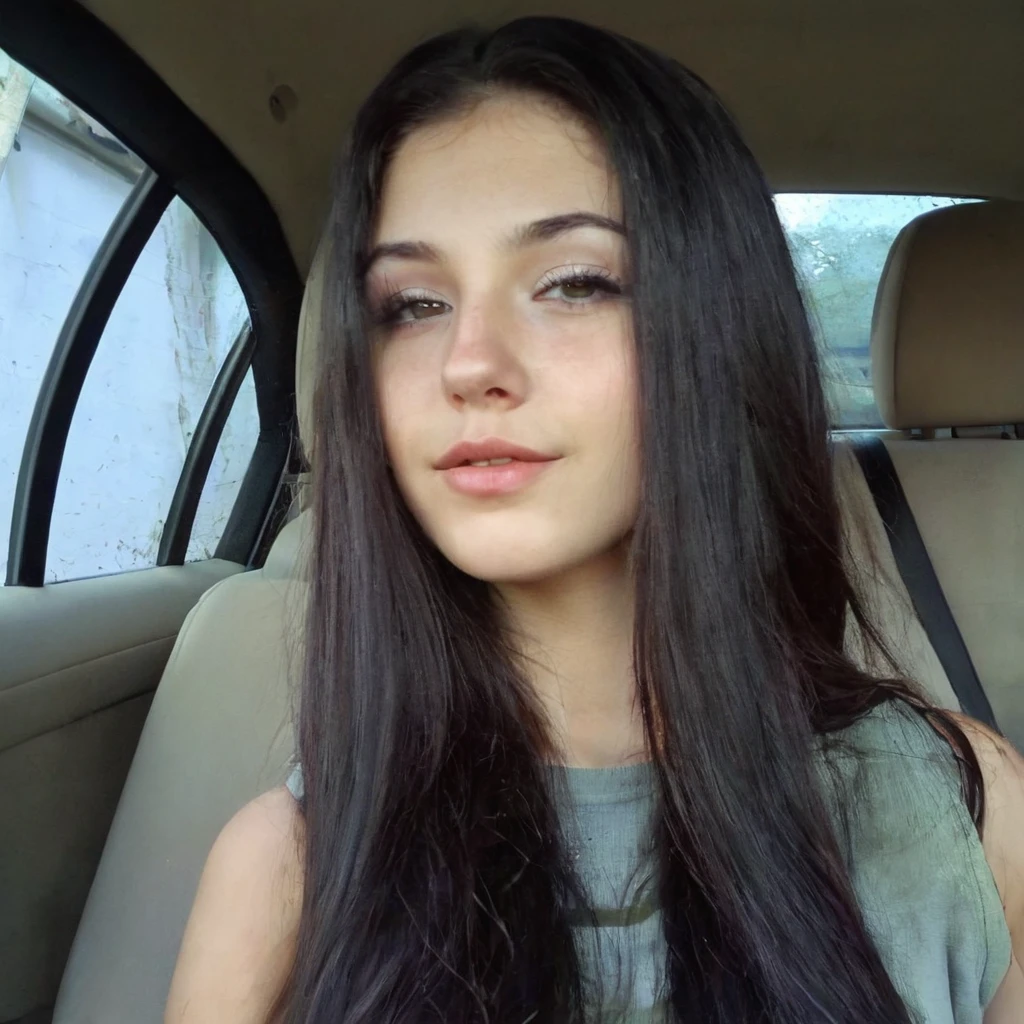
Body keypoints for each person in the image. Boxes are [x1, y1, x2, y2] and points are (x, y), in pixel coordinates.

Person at [164, 16, 1024, 1024]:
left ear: (712, 333)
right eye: (411, 305)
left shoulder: (965, 815)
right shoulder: (284, 870)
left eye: (574, 283)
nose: (469, 363)